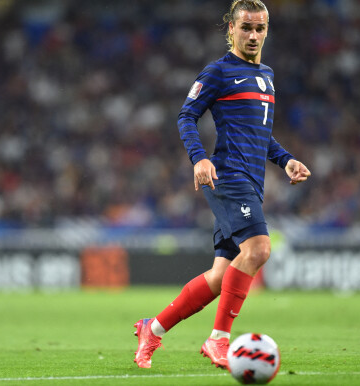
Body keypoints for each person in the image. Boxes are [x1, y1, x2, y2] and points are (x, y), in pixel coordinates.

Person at [133, 0, 311, 369]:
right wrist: (199, 157)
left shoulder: (267, 75)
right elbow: (186, 116)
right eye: (246, 27)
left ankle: (154, 328)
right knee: (259, 249)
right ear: (230, 28)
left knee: (219, 276)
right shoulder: (218, 72)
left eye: (260, 28)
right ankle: (218, 340)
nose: (253, 35)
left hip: (252, 181)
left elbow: (260, 135)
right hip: (227, 177)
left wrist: (286, 160)